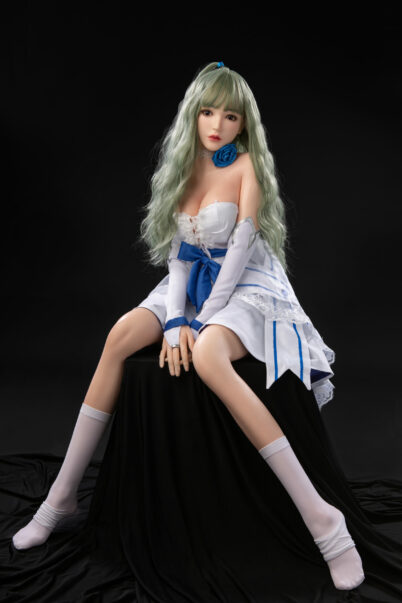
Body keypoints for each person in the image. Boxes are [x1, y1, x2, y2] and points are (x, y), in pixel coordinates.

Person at [12, 61, 364, 591]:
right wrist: (176, 319)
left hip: (247, 283)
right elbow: (180, 258)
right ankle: (60, 497)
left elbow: (240, 252)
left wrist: (201, 323)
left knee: (208, 358)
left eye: (230, 116)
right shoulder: (183, 166)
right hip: (193, 283)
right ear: (193, 114)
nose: (217, 125)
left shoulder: (246, 167)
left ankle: (323, 521)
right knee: (120, 335)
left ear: (244, 123)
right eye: (208, 112)